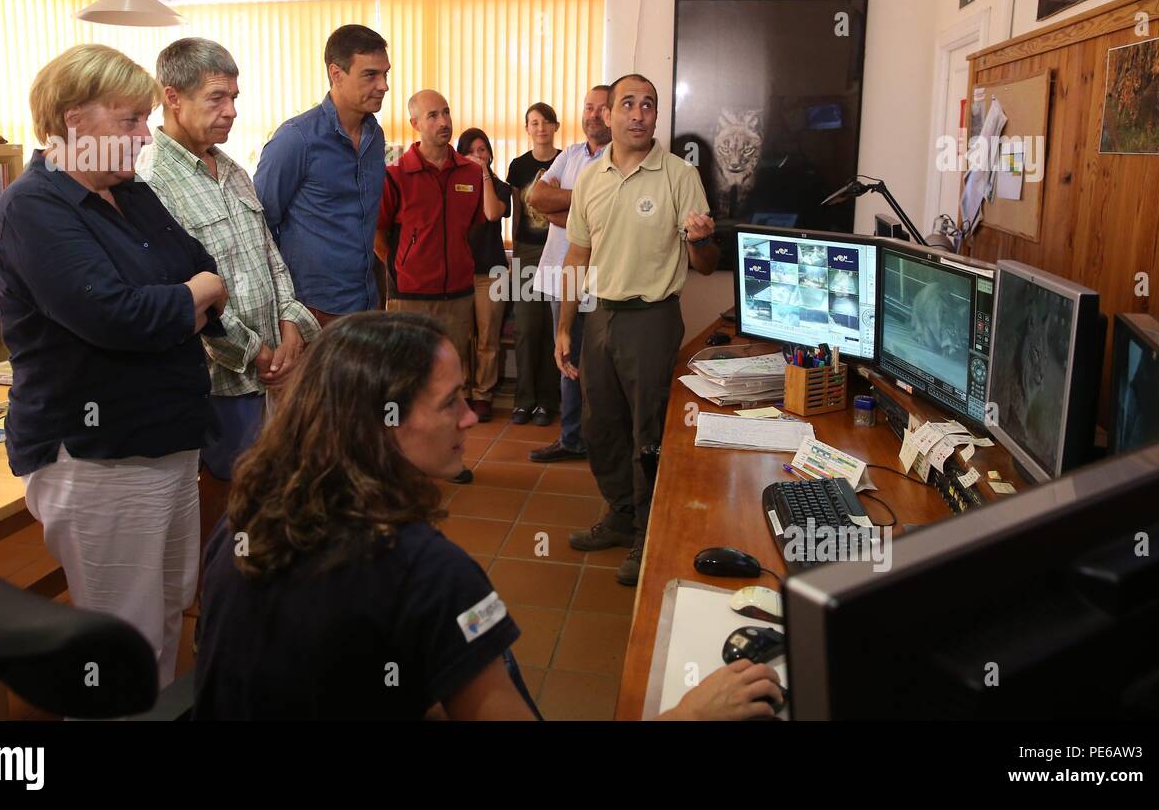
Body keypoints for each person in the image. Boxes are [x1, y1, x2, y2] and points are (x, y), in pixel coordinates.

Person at [193, 312, 784, 720]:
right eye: (450, 403)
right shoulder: (428, 572)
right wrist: (689, 713)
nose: (472, 418)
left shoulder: (247, 516)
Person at [0, 44, 229, 686]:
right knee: (122, 637)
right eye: (128, 119)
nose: (143, 134)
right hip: (99, 454)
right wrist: (193, 297)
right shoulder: (35, 206)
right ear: (74, 122)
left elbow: (202, 266)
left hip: (168, 442)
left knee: (170, 608)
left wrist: (187, 297)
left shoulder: (131, 193)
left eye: (145, 117)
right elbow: (116, 315)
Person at [137, 38, 319, 543]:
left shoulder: (235, 170)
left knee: (272, 497)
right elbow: (176, 289)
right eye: (216, 98)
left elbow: (271, 258)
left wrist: (291, 328)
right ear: (172, 97)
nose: (231, 111)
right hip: (221, 380)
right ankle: (218, 606)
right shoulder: (149, 180)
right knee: (225, 509)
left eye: (234, 98)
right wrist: (254, 351)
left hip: (273, 372)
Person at [555, 75, 719, 586]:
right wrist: (566, 326)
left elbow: (706, 264)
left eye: (648, 105)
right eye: (628, 104)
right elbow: (577, 254)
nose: (639, 114)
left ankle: (649, 530)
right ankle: (620, 515)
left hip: (652, 317)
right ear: (608, 114)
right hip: (599, 315)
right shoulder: (589, 177)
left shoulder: (679, 175)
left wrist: (701, 240)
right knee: (600, 425)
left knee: (647, 432)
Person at [375, 91, 505, 482]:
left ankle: (449, 459)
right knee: (402, 386)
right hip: (409, 300)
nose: (443, 121)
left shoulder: (468, 172)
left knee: (451, 387)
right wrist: (403, 267)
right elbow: (378, 233)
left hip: (457, 298)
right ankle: (396, 461)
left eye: (446, 112)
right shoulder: (395, 176)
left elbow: (475, 225)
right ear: (415, 124)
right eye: (432, 115)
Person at [255, 24, 390, 326]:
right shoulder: (296, 139)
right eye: (370, 74)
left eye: (386, 74)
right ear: (336, 74)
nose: (383, 85)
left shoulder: (375, 136)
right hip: (313, 311)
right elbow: (260, 226)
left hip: (366, 302)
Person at [526, 84, 612, 463]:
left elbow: (606, 219)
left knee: (600, 367)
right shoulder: (571, 154)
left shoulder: (619, 160)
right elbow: (537, 198)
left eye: (601, 108)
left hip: (601, 281)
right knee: (567, 360)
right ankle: (571, 438)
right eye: (588, 107)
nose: (592, 115)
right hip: (561, 277)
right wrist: (584, 207)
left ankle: (600, 442)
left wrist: (563, 209)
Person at [506, 102, 562, 427]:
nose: (540, 128)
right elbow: (516, 211)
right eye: (534, 123)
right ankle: (524, 400)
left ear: (556, 126)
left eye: (546, 122)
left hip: (558, 251)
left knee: (553, 330)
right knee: (526, 329)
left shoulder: (566, 161)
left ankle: (547, 401)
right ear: (527, 128)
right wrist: (514, 255)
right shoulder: (518, 165)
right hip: (526, 252)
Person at [458, 127, 513, 423]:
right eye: (471, 151)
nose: (478, 156)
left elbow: (492, 213)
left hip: (491, 272)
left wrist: (482, 176)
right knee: (462, 337)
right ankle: (463, 390)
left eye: (483, 150)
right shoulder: (454, 186)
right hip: (460, 272)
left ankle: (483, 395)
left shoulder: (500, 186)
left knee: (487, 339)